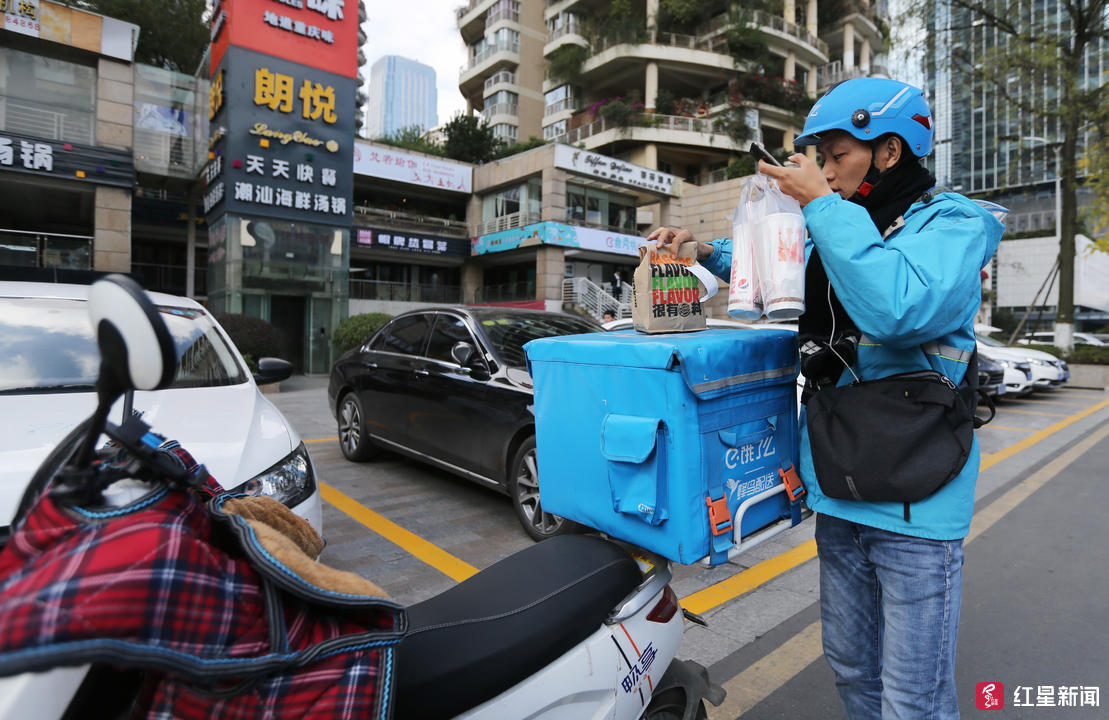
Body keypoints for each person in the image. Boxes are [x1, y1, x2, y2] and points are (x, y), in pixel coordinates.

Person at [648, 78, 1004, 719]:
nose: (826, 171)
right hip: (839, 486)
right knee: (852, 667)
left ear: (889, 151)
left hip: (915, 498)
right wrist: (702, 251)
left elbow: (899, 308)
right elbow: (784, 265)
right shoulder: (840, 228)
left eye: (837, 155)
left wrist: (818, 203)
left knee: (915, 696)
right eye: (822, 159)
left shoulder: (952, 223)